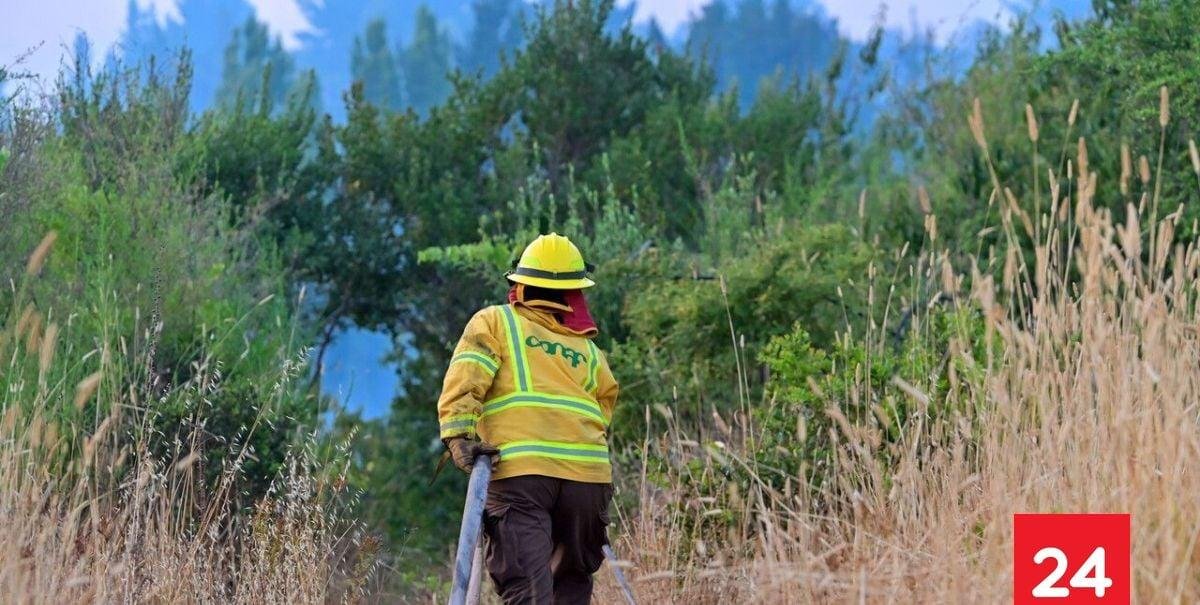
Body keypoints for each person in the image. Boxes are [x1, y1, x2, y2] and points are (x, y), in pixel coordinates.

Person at [436, 233, 620, 604]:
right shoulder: (589, 350)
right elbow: (604, 407)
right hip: (587, 481)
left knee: (530, 591)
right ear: (574, 292)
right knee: (570, 588)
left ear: (519, 284)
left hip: (520, 476)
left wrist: (458, 437)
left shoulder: (495, 322)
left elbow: (466, 378)